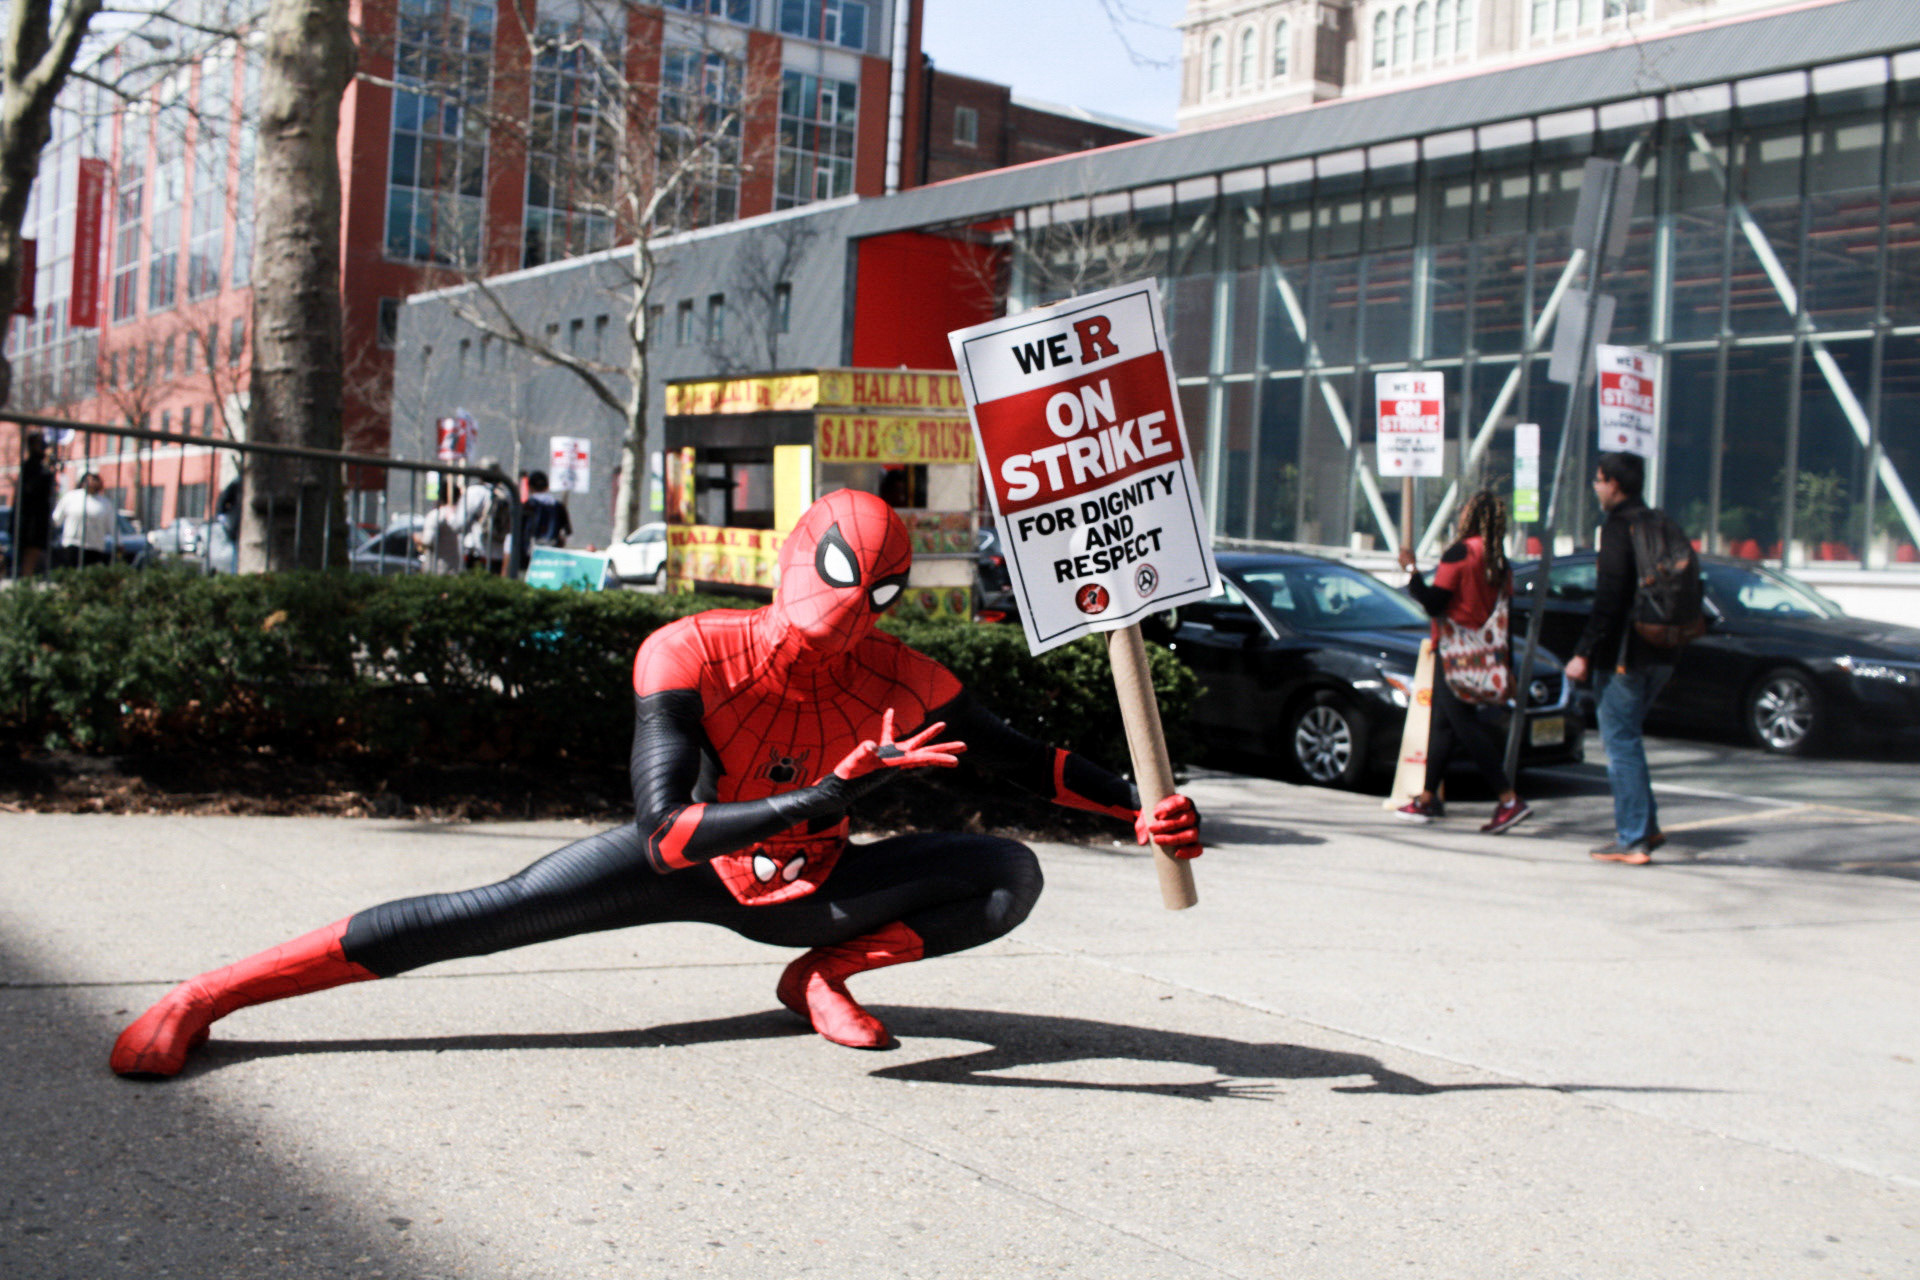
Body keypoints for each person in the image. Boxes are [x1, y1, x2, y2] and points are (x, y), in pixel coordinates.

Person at [110, 489, 1203, 1076]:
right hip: (682, 865)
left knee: (1005, 875)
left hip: (811, 893)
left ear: (885, 607)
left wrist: (1139, 809)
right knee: (475, 917)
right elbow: (669, 830)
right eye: (814, 621)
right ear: (784, 576)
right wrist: (825, 794)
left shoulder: (906, 676)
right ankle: (207, 993)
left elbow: (1028, 763)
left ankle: (823, 976)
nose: (828, 645)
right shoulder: (687, 652)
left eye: (854, 620)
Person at [1395, 490, 1532, 835]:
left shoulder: (1459, 553)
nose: (1459, 514)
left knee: (1464, 727)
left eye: (1464, 510)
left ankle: (1508, 799)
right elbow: (1505, 619)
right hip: (1484, 657)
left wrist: (1411, 572)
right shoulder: (1499, 562)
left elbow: (1434, 603)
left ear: (1471, 517)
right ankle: (1427, 798)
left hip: (1455, 654)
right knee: (1442, 724)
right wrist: (1507, 668)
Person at [1563, 452, 1672, 865]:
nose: (1595, 486)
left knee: (1620, 744)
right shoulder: (1658, 521)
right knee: (1629, 739)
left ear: (1614, 484)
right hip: (1662, 648)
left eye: (1598, 479)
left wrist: (1582, 652)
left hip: (1625, 653)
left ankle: (1633, 840)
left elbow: (1609, 598)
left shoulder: (1617, 528)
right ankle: (1646, 827)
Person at [50, 472, 116, 569]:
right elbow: (56, 519)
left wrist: (119, 543)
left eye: (95, 479)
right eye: (89, 479)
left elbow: (112, 525)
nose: (92, 482)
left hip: (94, 547)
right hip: (71, 545)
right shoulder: (71, 497)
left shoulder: (105, 504)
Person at [13, 430, 54, 577]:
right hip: (31, 519)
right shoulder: (31, 466)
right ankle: (25, 582)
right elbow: (33, 489)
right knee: (30, 553)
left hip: (38, 517)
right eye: (41, 442)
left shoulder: (40, 466)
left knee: (35, 554)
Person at [457, 457, 508, 573]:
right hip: (498, 554)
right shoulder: (507, 494)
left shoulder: (474, 492)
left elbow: (459, 523)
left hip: (476, 551)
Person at [416, 479, 464, 575]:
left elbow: (427, 540)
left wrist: (417, 538)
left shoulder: (435, 515)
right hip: (456, 569)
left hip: (437, 570)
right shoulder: (460, 516)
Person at [521, 469, 571, 549]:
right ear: (547, 486)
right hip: (551, 553)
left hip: (530, 553)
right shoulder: (558, 507)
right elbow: (567, 532)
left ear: (530, 487)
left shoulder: (527, 506)